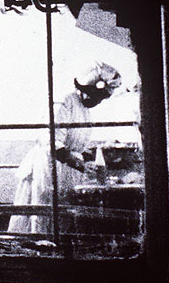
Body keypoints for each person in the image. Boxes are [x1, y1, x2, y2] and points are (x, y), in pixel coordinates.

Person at [8, 62, 122, 234]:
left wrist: (93, 155)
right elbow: (52, 142)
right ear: (87, 89)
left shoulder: (84, 108)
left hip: (68, 171)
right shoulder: (64, 102)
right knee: (44, 216)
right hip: (49, 168)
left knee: (64, 218)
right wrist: (79, 164)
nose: (98, 102)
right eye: (96, 97)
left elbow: (76, 143)